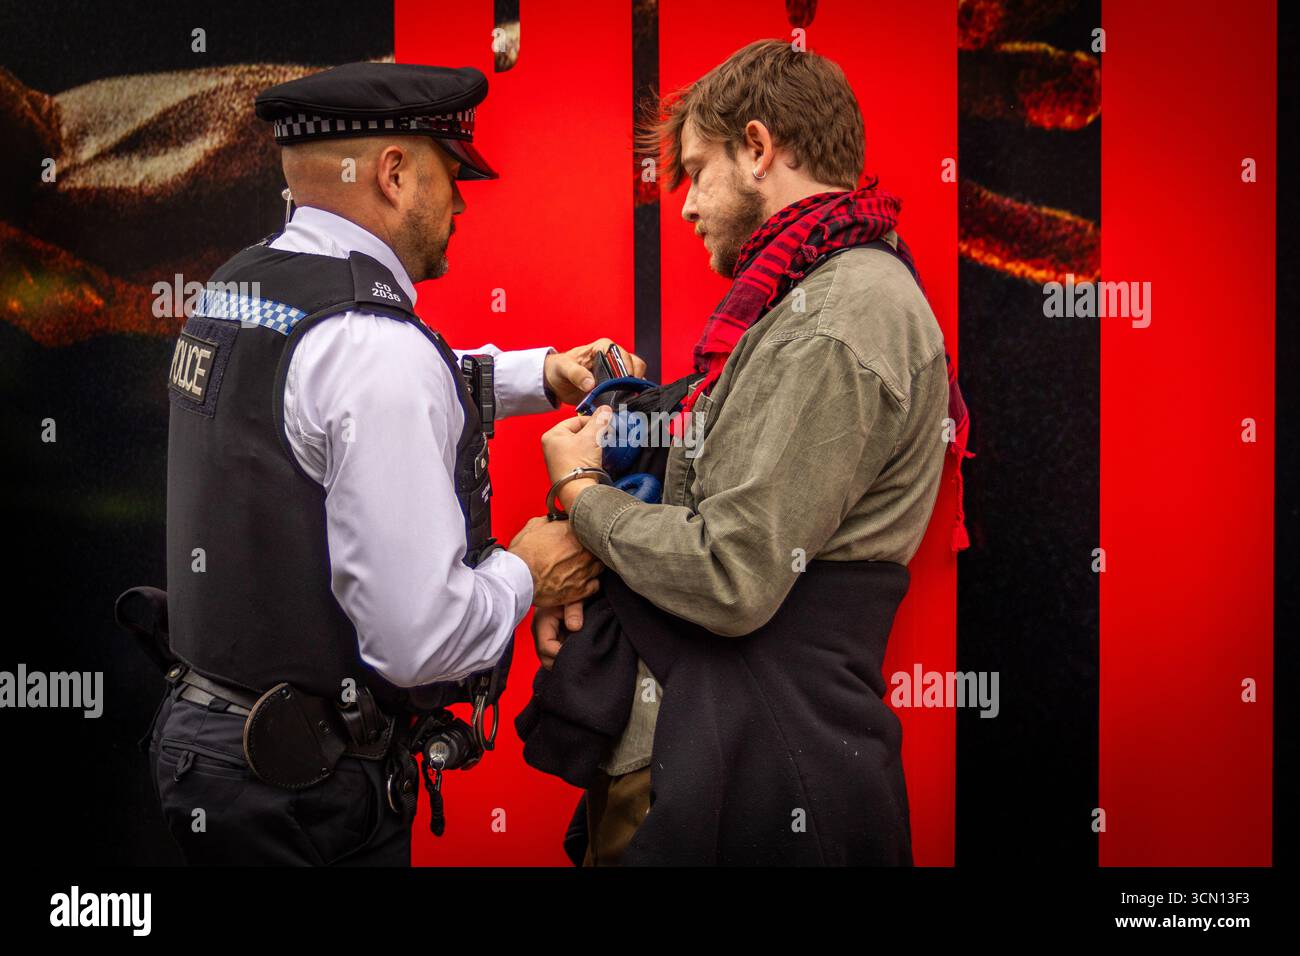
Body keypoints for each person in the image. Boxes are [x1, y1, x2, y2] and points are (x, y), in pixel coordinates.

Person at [143, 61, 643, 865]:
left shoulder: (241, 286)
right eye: (452, 174)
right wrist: (526, 572)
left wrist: (538, 372)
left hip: (215, 750)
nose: (462, 200)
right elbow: (420, 640)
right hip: (304, 796)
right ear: (394, 173)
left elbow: (330, 409)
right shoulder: (374, 348)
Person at [528, 40, 971, 865]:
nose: (688, 206)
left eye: (697, 172)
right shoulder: (807, 299)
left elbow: (731, 572)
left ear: (760, 149)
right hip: (738, 751)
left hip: (765, 773)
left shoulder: (838, 317)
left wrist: (584, 497)